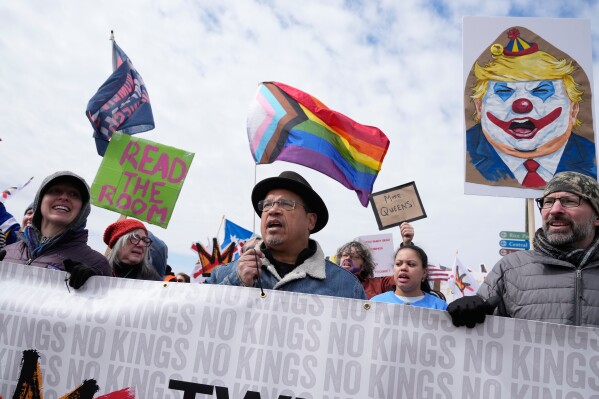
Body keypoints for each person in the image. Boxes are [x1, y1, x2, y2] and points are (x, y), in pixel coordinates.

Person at [449, 171, 599, 327]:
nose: (554, 210)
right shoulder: (510, 267)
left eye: (569, 201)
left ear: (597, 217)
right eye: (548, 202)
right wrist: (468, 316)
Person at [466, 27, 596, 188]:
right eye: (504, 91)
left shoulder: (591, 160)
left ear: (573, 109)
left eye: (541, 90)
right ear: (479, 108)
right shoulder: (468, 156)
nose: (522, 105)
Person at [206, 171, 366, 299]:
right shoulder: (222, 275)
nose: (273, 210)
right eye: (267, 204)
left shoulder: (347, 287)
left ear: (310, 220)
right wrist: (236, 283)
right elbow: (196, 323)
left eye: (286, 204)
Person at [2, 171, 111, 288]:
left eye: (74, 194)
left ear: (83, 209)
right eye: (55, 191)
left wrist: (96, 285)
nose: (64, 197)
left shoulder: (97, 264)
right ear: (40, 201)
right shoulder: (7, 252)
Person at [336, 222, 414, 299]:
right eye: (344, 255)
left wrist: (407, 244)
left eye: (355, 256)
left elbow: (401, 278)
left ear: (364, 265)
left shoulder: (379, 284)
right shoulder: (328, 282)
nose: (348, 258)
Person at [370, 245, 447, 309]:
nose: (403, 268)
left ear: (424, 273)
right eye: (398, 264)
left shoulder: (440, 307)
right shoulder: (375, 303)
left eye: (411, 264)